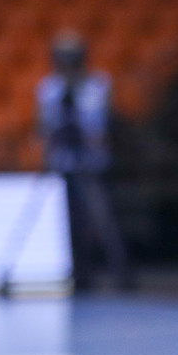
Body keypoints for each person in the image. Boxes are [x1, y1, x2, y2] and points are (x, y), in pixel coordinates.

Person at [35, 30, 132, 290]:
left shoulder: (97, 85)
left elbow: (103, 123)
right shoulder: (49, 88)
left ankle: (121, 272)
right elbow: (45, 124)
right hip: (63, 161)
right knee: (69, 221)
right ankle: (79, 274)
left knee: (102, 218)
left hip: (92, 162)